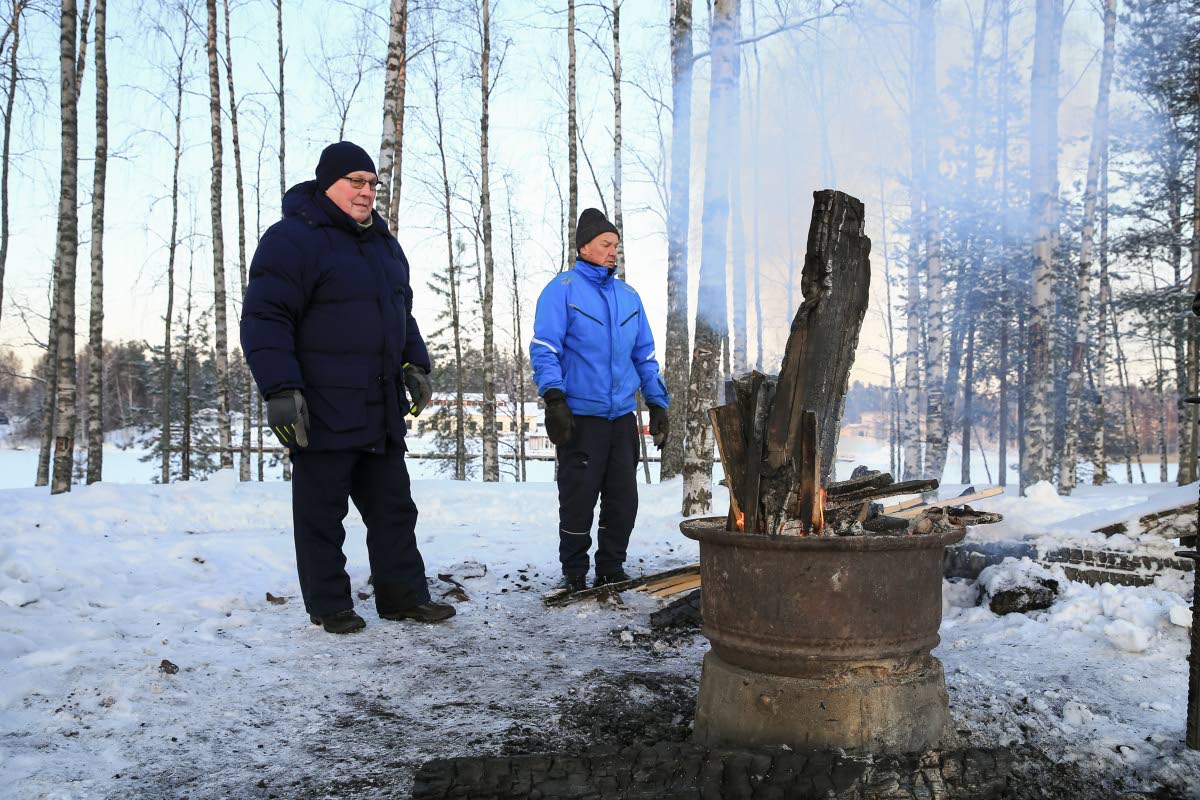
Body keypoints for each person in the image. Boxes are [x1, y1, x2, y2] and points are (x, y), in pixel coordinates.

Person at [241, 141, 454, 634]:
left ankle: (403, 598)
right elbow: (265, 317)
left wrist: (413, 365)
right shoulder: (292, 239)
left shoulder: (383, 244)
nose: (366, 192)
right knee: (322, 516)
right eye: (354, 182)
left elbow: (402, 313)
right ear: (326, 184)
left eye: (372, 183)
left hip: (379, 405)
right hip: (321, 406)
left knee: (394, 510)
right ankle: (330, 604)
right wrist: (280, 389)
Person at [530, 208, 671, 593]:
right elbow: (545, 349)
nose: (613, 252)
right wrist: (554, 398)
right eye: (606, 244)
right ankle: (574, 573)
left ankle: (611, 569)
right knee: (578, 500)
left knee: (623, 500)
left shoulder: (629, 297)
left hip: (622, 419)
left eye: (616, 245)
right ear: (584, 247)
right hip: (581, 419)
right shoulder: (562, 291)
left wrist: (657, 403)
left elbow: (643, 355)